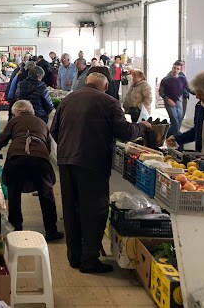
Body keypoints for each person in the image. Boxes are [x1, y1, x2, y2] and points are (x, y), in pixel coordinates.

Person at [51, 72, 152, 274]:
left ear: (87, 83)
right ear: (105, 86)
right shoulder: (109, 102)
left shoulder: (68, 99)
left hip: (66, 161)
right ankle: (89, 260)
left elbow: (54, 130)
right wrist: (142, 127)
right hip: (92, 163)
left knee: (71, 209)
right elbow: (125, 133)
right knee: (94, 211)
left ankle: (74, 256)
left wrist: (68, 146)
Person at [0, 100, 63, 242]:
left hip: (17, 159)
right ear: (31, 111)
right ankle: (51, 231)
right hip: (39, 159)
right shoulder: (41, 122)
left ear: (16, 112)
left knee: (14, 193)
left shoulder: (14, 121)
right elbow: (48, 146)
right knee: (46, 195)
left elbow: (2, 141)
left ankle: (16, 228)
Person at [159, 61, 189, 136]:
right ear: (172, 68)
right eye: (174, 68)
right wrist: (167, 99)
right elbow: (161, 92)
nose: (175, 70)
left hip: (179, 102)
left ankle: (164, 134)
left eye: (178, 69)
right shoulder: (165, 80)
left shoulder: (182, 79)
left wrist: (198, 93)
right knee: (175, 122)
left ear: (180, 70)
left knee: (178, 122)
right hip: (169, 102)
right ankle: (179, 142)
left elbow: (188, 88)